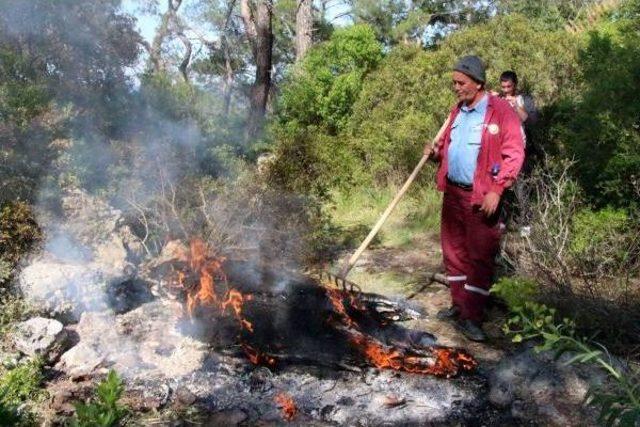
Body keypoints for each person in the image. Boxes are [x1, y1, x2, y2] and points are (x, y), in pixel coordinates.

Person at [425, 55, 525, 341]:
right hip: (453, 193)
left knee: (480, 256)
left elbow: (514, 153)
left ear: (478, 82)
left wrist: (497, 189)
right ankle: (459, 306)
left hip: (482, 196)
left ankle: (473, 317)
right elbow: (447, 150)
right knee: (454, 252)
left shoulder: (500, 112)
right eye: (454, 83)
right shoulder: (456, 112)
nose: (455, 88)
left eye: (461, 82)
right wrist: (435, 155)